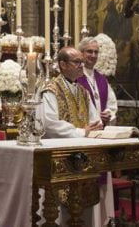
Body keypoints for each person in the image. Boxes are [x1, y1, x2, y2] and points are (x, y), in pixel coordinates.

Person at [38, 46, 103, 226]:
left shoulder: (83, 91)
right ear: (62, 64)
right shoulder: (50, 89)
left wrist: (96, 128)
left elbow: (95, 120)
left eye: (82, 62)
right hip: (60, 158)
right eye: (77, 62)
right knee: (58, 210)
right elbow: (49, 123)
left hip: (84, 157)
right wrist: (82, 132)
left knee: (84, 211)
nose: (81, 66)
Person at [77, 36, 118, 224]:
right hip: (84, 139)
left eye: (95, 52)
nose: (93, 55)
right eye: (89, 52)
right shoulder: (76, 77)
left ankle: (103, 221)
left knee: (102, 187)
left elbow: (111, 104)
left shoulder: (101, 79)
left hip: (100, 138)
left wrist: (108, 114)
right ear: (81, 53)